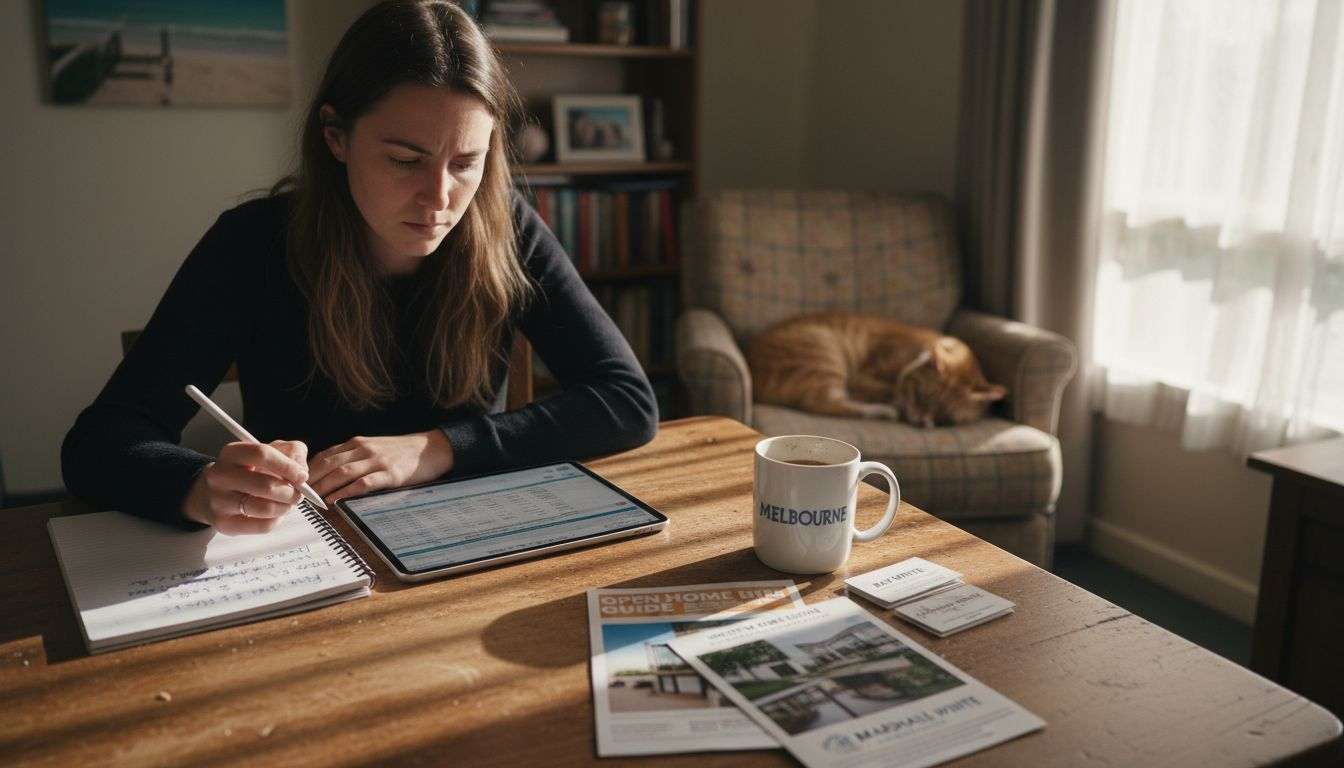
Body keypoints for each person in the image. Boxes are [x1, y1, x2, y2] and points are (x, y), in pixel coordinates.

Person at [61, 0, 657, 535]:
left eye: (466, 162)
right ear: (336, 136)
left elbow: (627, 401)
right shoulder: (252, 244)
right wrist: (197, 486)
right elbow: (98, 444)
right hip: (312, 551)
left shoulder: (507, 227)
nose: (440, 197)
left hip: (469, 541)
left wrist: (436, 448)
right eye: (405, 160)